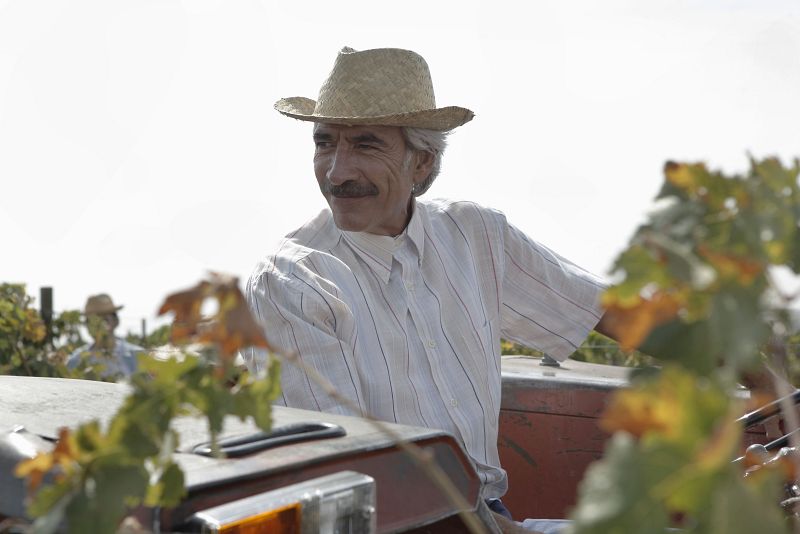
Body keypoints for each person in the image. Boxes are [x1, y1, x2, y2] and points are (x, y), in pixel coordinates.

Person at [242, 47, 615, 533]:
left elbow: (606, 310)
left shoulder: (475, 233)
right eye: (324, 143)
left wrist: (732, 355)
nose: (336, 172)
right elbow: (342, 472)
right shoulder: (290, 280)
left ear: (423, 163)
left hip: (486, 517)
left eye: (366, 145)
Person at [67, 294, 144, 379]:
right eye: (94, 320)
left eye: (105, 319)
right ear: (87, 325)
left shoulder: (138, 356)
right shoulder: (76, 360)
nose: (99, 324)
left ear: (116, 321)